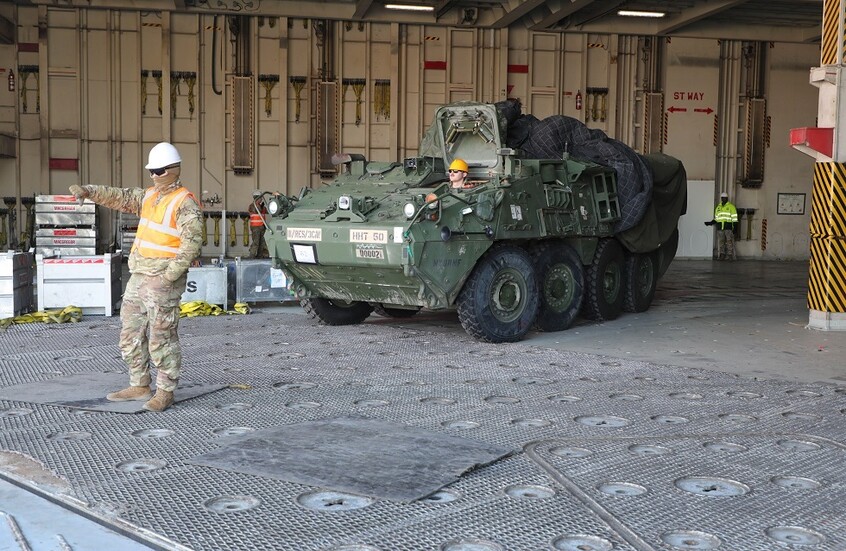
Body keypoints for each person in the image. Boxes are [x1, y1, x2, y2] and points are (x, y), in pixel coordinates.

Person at [69, 142, 203, 412]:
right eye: (151, 170)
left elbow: (193, 242)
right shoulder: (150, 197)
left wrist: (170, 276)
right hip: (140, 274)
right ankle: (139, 384)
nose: (153, 175)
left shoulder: (184, 203)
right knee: (130, 330)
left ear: (173, 170)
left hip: (162, 277)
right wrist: (89, 191)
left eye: (159, 170)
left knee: (161, 336)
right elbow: (119, 196)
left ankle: (165, 390)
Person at [705, 191, 738, 261]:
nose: (724, 199)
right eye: (723, 198)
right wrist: (710, 223)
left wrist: (735, 228)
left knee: (729, 241)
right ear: (721, 198)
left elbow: (735, 218)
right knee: (721, 242)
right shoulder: (718, 208)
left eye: (725, 198)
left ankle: (730, 255)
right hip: (720, 228)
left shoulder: (731, 207)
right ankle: (722, 255)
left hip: (728, 227)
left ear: (727, 198)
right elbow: (717, 218)